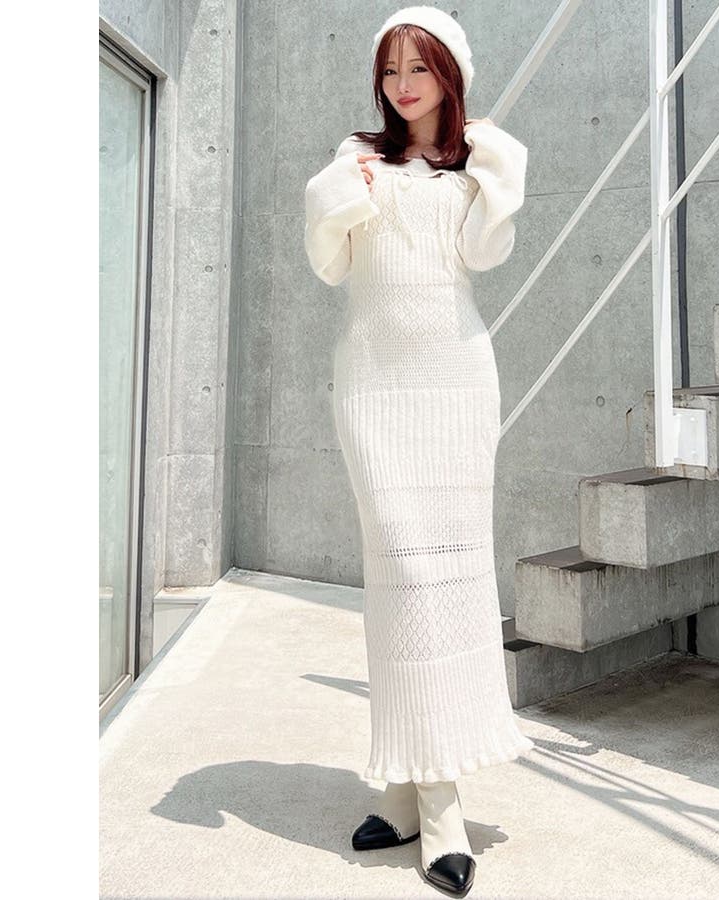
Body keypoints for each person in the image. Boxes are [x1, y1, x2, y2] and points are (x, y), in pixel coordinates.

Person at [304, 6, 534, 895]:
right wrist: (340, 192)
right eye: (391, 70)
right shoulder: (355, 156)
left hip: (456, 385)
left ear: (449, 76)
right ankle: (431, 795)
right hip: (373, 388)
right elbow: (329, 264)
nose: (403, 85)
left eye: (420, 68)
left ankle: (418, 793)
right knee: (399, 575)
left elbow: (485, 251)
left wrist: (496, 170)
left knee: (448, 582)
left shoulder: (473, 162)